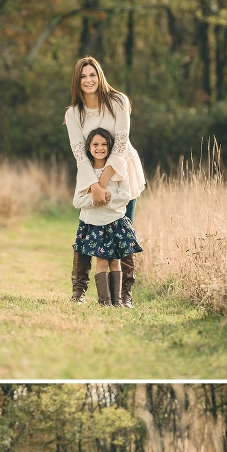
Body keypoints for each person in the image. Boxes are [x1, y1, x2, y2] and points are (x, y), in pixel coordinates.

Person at [65, 56, 146, 306]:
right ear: (77, 82)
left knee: (124, 232)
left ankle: (124, 296)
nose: (88, 80)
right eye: (83, 76)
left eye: (92, 74)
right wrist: (94, 186)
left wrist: (104, 183)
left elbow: (120, 143)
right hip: (90, 175)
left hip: (123, 173)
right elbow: (79, 152)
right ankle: (78, 291)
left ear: (100, 76)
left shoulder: (118, 101)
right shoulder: (73, 113)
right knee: (87, 229)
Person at [73, 127, 143, 306]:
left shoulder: (119, 171)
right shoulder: (85, 173)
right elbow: (77, 201)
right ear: (88, 147)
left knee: (116, 261)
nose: (100, 148)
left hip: (115, 223)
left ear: (111, 147)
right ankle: (103, 301)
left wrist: (108, 199)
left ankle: (118, 300)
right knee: (102, 261)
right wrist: (94, 199)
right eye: (95, 144)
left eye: (104, 144)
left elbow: (125, 195)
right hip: (95, 225)